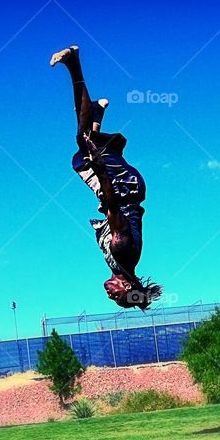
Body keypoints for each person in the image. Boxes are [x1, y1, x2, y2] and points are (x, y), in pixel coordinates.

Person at [51, 45, 162, 310]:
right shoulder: (123, 253)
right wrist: (101, 170)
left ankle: (97, 114)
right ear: (128, 287)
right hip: (121, 187)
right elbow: (113, 208)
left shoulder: (120, 263)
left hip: (118, 189)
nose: (110, 295)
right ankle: (74, 63)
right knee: (83, 141)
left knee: (80, 160)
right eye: (117, 297)